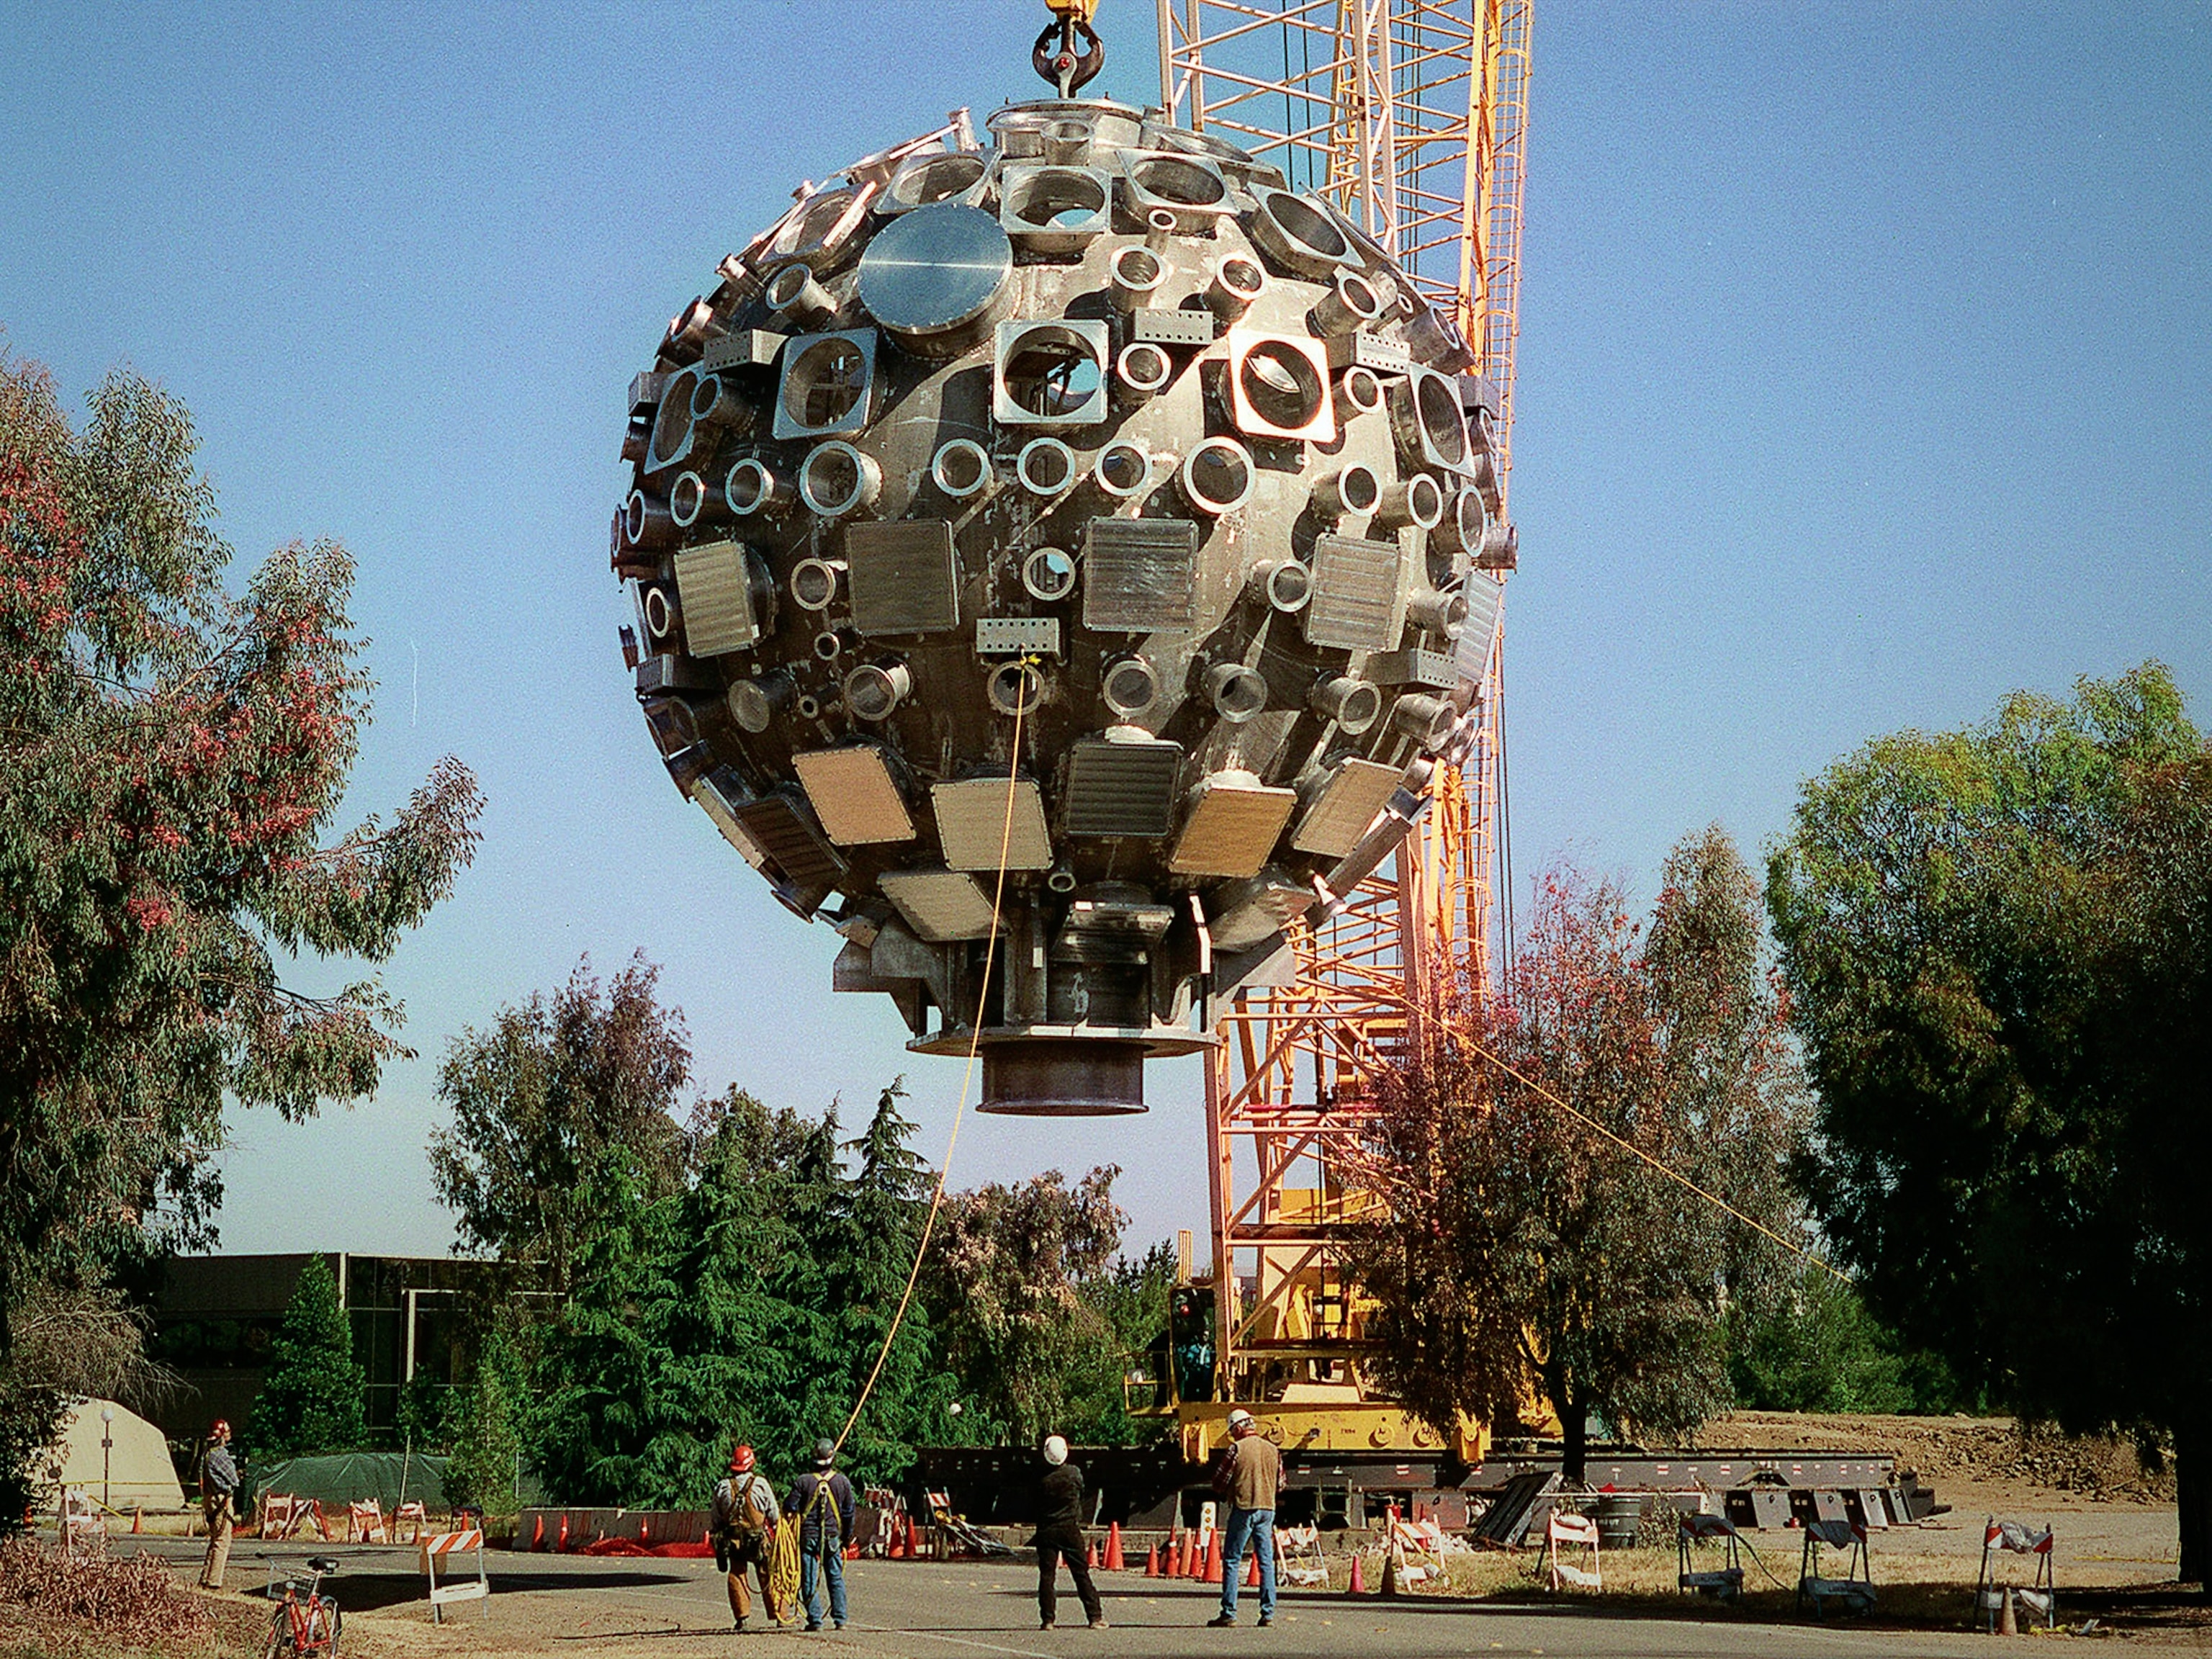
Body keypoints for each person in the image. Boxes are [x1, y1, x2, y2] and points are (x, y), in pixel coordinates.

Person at [1208, 1408, 1280, 1629]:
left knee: (1232, 1559)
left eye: (1232, 1431)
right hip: (1267, 1508)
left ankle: (1229, 1613)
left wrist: (1225, 1490)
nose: (1232, 1435)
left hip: (1244, 1507)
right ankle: (1268, 1614)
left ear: (1238, 1428)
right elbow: (1281, 1484)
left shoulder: (1236, 1449)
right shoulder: (1273, 1449)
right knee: (1266, 1561)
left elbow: (1220, 1481)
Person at [1033, 1434, 1107, 1630]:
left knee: (1047, 1576)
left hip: (1047, 1528)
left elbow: (1034, 1502)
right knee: (1081, 1573)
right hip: (1069, 1528)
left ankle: (1048, 1619)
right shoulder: (1074, 1473)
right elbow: (1081, 1491)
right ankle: (1094, 1616)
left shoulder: (1041, 1478)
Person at [709, 1442, 783, 1632]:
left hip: (733, 1540)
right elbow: (774, 1514)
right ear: (751, 1463)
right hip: (758, 1540)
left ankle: (742, 1618)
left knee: (737, 1574)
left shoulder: (722, 1486)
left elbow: (716, 1518)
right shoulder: (761, 1484)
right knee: (769, 1573)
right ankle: (780, 1616)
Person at [785, 1437, 855, 1632]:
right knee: (835, 1578)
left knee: (808, 1579)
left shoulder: (803, 1481)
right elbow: (849, 1513)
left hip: (808, 1537)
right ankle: (840, 1619)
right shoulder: (842, 1482)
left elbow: (790, 1506)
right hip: (832, 1537)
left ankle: (815, 1620)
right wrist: (847, 1538)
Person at [197, 1419, 238, 1591]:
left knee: (215, 1540)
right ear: (221, 1436)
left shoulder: (207, 1454)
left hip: (210, 1500)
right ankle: (213, 1581)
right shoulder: (220, 1455)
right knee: (222, 1542)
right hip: (221, 1500)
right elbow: (234, 1480)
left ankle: (205, 1578)